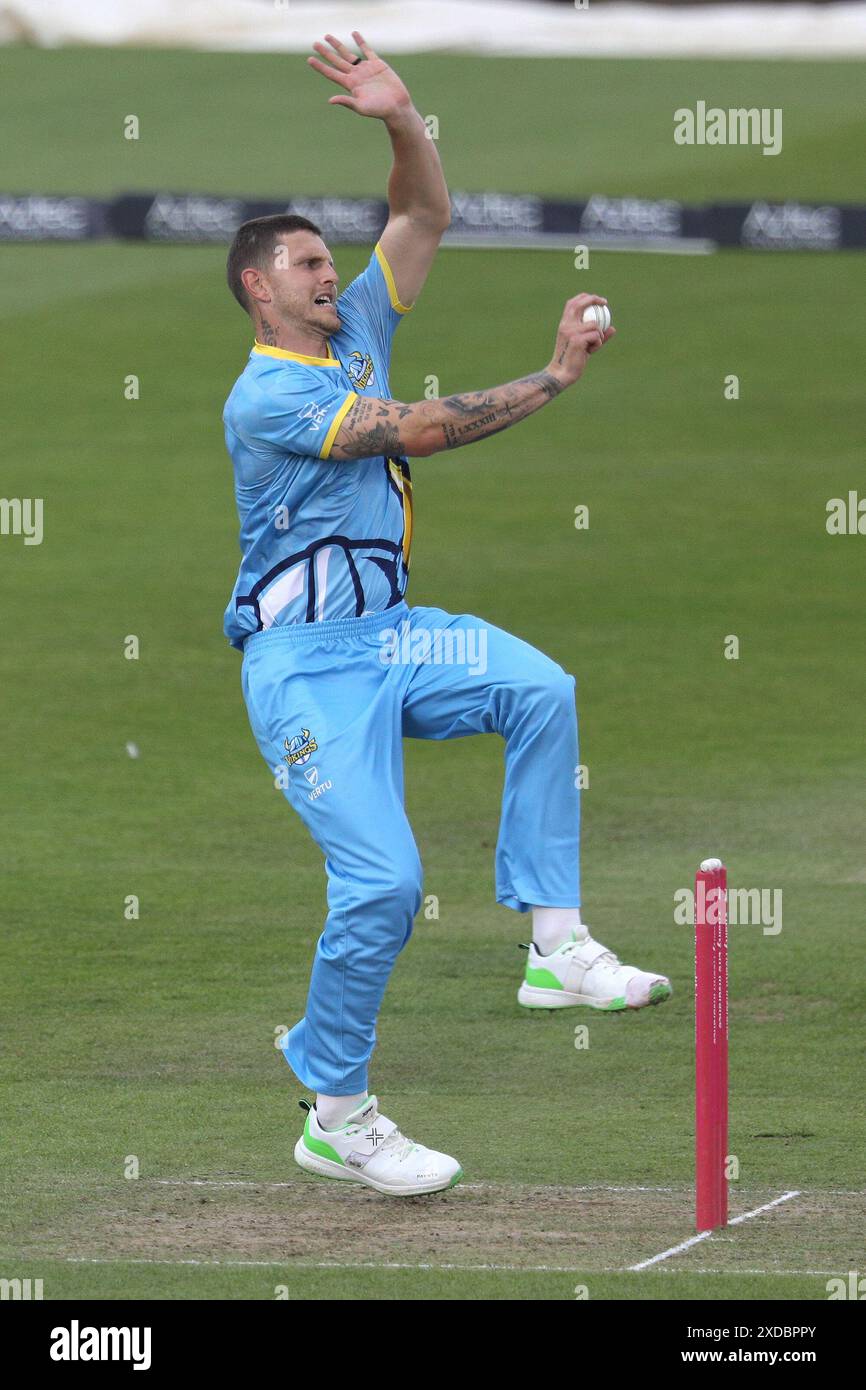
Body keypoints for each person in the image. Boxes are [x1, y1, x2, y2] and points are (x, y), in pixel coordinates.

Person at [222, 32, 671, 1198]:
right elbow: (419, 430)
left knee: (540, 688)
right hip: (306, 668)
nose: (331, 275)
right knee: (378, 883)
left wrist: (399, 115)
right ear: (257, 287)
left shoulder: (356, 332)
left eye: (331, 262)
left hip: (395, 637)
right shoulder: (269, 391)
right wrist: (556, 378)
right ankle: (335, 1111)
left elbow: (421, 218)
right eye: (307, 265)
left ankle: (552, 944)